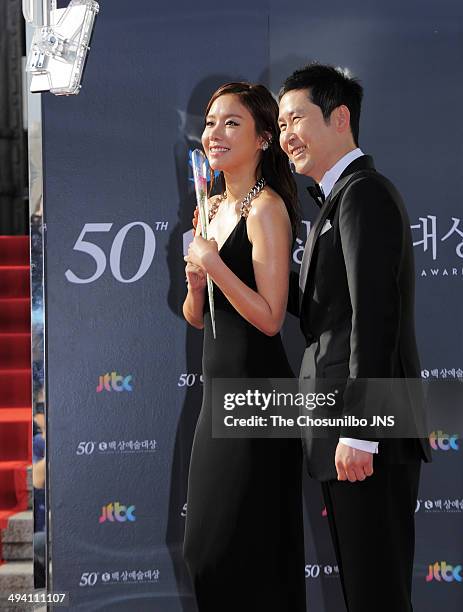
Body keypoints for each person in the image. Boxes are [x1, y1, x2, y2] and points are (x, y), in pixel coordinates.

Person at [278, 63, 431, 612]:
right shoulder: (338, 198)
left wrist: (361, 430)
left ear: (340, 118)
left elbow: (376, 315)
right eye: (279, 124)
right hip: (348, 431)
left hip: (366, 434)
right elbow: (325, 312)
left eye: (296, 118)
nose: (285, 135)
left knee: (378, 595)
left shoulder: (362, 194)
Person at [182, 82, 306, 612]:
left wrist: (213, 265)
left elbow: (271, 317)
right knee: (207, 551)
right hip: (218, 396)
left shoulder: (267, 209)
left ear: (262, 139)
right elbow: (199, 317)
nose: (216, 133)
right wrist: (194, 280)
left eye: (231, 123)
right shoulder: (211, 208)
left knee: (250, 554)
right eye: (211, 122)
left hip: (258, 397)